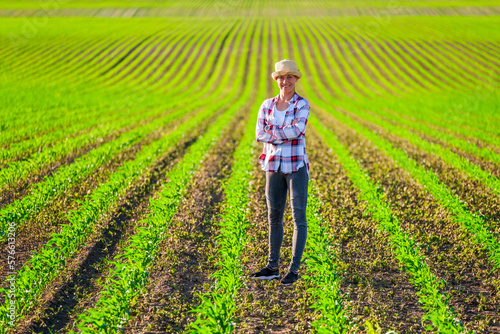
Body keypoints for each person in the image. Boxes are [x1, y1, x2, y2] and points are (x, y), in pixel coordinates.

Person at [251, 59, 310, 286]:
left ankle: (293, 270)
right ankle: (272, 266)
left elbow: (298, 130)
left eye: (290, 78)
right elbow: (259, 133)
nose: (285, 81)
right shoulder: (266, 105)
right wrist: (283, 132)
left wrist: (272, 132)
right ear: (277, 80)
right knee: (274, 217)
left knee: (298, 218)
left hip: (295, 167)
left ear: (295, 80)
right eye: (281, 78)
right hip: (273, 167)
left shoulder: (302, 104)